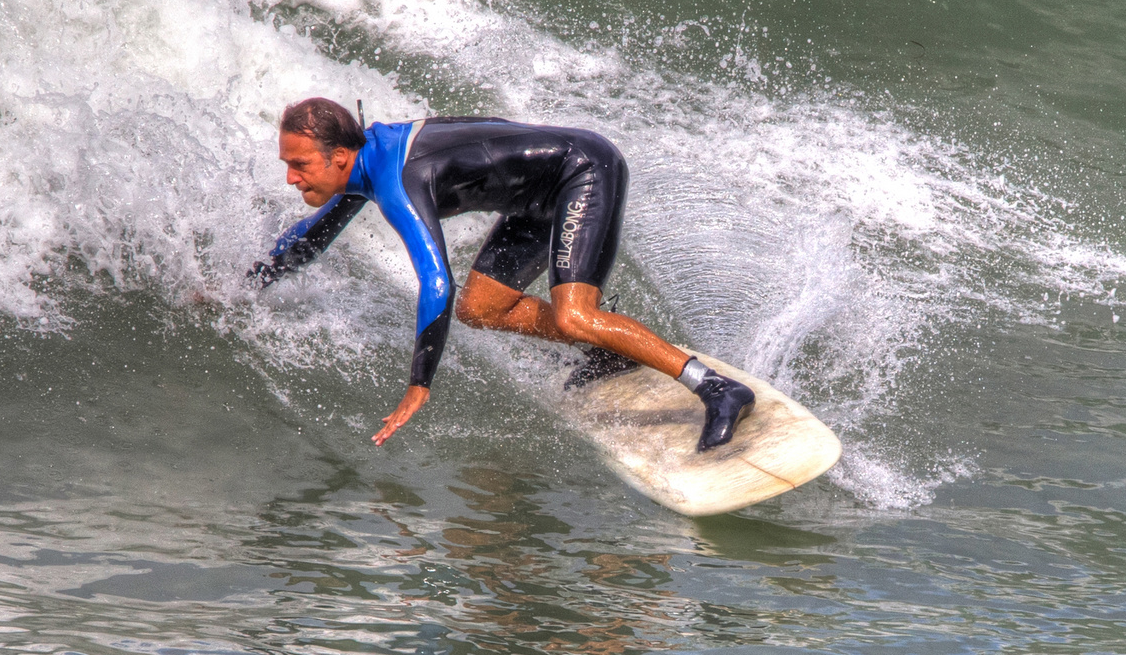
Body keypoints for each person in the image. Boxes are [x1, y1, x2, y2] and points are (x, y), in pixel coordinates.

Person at [253, 97, 756, 450]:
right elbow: (311, 238)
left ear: (339, 157)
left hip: (582, 171)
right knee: (482, 309)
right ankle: (608, 348)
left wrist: (419, 383)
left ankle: (716, 387)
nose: (291, 177)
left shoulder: (397, 179)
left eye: (299, 165)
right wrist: (251, 283)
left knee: (574, 315)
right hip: (534, 198)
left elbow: (435, 284)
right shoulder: (362, 165)